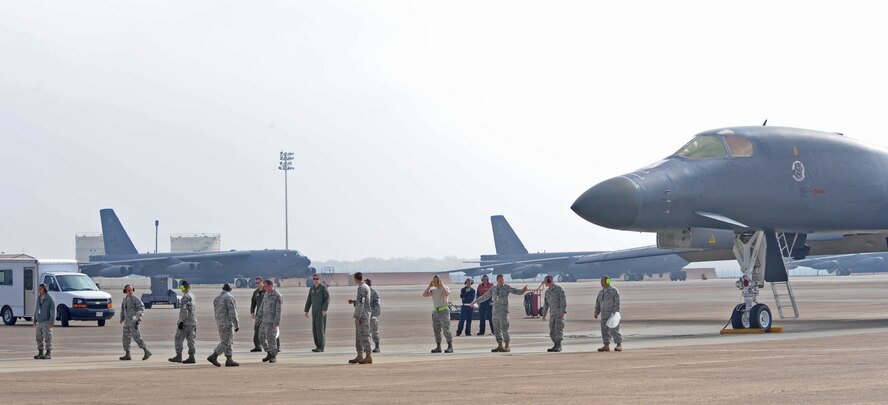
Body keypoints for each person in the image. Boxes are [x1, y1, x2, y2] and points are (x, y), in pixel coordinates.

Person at [471, 274, 527, 353]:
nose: (502, 281)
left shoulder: (507, 287)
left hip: (503, 312)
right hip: (495, 312)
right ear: (497, 280)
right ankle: (500, 345)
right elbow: (485, 296)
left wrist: (523, 290)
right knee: (496, 330)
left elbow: (516, 291)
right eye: (500, 280)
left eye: (503, 280)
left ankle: (507, 345)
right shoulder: (493, 288)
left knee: (504, 329)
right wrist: (475, 301)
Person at [208, 283, 240, 367]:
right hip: (227, 323)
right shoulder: (229, 297)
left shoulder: (217, 298)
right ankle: (214, 356)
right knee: (226, 341)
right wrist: (236, 325)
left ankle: (229, 359)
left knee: (229, 341)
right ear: (230, 289)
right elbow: (232, 313)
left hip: (220, 323)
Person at [119, 284, 151, 361]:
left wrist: (139, 314)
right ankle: (127, 354)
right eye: (128, 290)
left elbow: (141, 307)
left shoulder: (135, 299)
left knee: (137, 337)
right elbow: (123, 310)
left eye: (131, 290)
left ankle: (146, 351)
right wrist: (121, 318)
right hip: (126, 322)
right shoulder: (124, 300)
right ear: (125, 291)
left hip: (133, 322)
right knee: (125, 339)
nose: (130, 292)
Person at [422, 275, 453, 353]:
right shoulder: (433, 290)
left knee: (446, 329)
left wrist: (441, 284)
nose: (435, 282)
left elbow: (446, 294)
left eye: (436, 281)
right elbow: (425, 294)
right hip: (435, 311)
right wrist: (429, 286)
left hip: (444, 311)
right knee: (436, 330)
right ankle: (438, 347)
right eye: (434, 281)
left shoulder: (445, 287)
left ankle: (450, 346)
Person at [169, 280, 197, 364]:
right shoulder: (192, 295)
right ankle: (192, 356)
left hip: (185, 322)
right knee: (191, 340)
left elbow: (184, 311)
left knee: (178, 338)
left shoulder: (185, 297)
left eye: (181, 287)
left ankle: (179, 356)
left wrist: (181, 321)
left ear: (183, 287)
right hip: (193, 321)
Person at [347, 272, 372, 364]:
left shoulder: (362, 288)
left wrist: (357, 317)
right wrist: (354, 301)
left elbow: (362, 303)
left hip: (363, 315)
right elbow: (362, 301)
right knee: (358, 336)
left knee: (364, 335)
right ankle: (360, 355)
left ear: (355, 279)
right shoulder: (365, 287)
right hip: (363, 314)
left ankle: (368, 356)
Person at [256, 279, 283, 363]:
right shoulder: (266, 294)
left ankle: (273, 356)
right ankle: (269, 353)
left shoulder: (277, 296)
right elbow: (261, 307)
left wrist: (276, 322)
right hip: (264, 321)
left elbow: (278, 310)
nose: (264, 288)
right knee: (261, 337)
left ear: (270, 286)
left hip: (271, 322)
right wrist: (258, 319)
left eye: (265, 286)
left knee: (271, 339)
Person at [594, 276, 622, 352]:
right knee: (604, 330)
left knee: (614, 330)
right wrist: (596, 312)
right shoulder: (601, 292)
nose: (601, 283)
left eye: (602, 281)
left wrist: (615, 313)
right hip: (604, 315)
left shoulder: (614, 291)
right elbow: (598, 303)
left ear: (607, 281)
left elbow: (617, 303)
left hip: (612, 314)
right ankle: (606, 345)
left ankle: (618, 345)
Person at [304, 273, 330, 353]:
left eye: (317, 279)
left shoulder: (323, 288)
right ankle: (317, 346)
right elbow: (309, 300)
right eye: (314, 279)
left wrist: (324, 309)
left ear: (320, 279)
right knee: (314, 329)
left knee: (320, 329)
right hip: (314, 311)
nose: (315, 280)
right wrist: (306, 310)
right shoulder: (311, 289)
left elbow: (327, 299)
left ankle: (321, 347)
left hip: (321, 311)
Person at [541, 275, 567, 352]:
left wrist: (562, 311)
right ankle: (555, 345)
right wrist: (544, 314)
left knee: (558, 329)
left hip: (559, 313)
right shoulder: (547, 292)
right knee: (552, 331)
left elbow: (563, 301)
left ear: (549, 281)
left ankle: (559, 345)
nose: (544, 282)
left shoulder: (559, 289)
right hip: (552, 314)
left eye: (545, 281)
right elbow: (546, 304)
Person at [32, 284, 55, 360]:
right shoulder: (38, 298)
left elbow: (53, 312)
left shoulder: (50, 299)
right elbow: (36, 309)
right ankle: (40, 352)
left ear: (44, 289)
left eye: (40, 289)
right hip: (39, 321)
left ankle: (48, 353)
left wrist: (51, 322)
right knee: (38, 338)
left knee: (48, 337)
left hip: (46, 321)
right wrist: (34, 320)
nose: (39, 291)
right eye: (39, 289)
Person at [250, 276, 265, 352]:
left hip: (267, 315)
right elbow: (253, 303)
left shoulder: (267, 291)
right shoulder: (255, 292)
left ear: (262, 282)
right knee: (256, 330)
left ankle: (277, 346)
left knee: (271, 330)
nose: (257, 284)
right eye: (256, 283)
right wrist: (252, 312)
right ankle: (258, 346)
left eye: (258, 283)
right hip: (259, 315)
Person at [366, 279, 381, 353]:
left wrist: (375, 315)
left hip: (372, 315)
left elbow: (378, 304)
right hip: (365, 314)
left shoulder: (374, 292)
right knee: (365, 331)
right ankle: (366, 347)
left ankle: (377, 346)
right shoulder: (363, 292)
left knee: (374, 331)